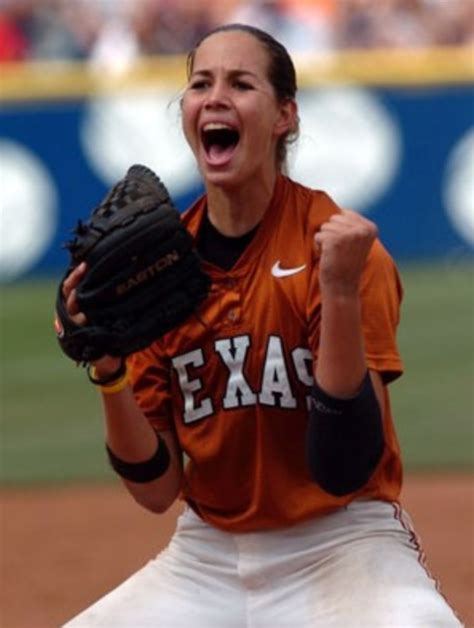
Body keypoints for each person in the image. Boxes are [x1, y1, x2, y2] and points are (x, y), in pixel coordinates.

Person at [60, 23, 462, 628]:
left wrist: (340, 294)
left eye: (241, 83)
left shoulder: (340, 250)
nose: (215, 97)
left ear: (285, 116)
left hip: (343, 542)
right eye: (200, 84)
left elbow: (345, 465)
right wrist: (109, 370)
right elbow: (156, 490)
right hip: (207, 557)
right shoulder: (154, 272)